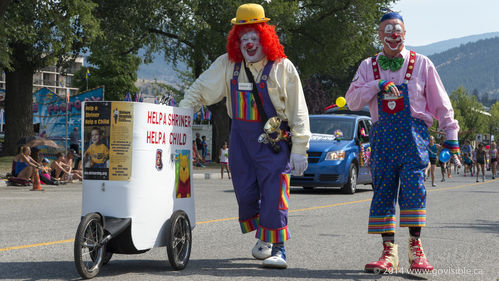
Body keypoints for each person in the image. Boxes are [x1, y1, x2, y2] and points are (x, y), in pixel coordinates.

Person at [180, 3, 310, 269]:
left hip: (273, 141)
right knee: (245, 190)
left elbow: (298, 109)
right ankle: (264, 234)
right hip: (239, 139)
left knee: (274, 190)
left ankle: (279, 247)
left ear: (265, 37)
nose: (249, 43)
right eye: (243, 37)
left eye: (254, 36)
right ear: (235, 40)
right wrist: (181, 115)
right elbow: (201, 89)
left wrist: (299, 146)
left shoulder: (282, 67)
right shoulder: (228, 64)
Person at [346, 12, 461, 273]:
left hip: (414, 140)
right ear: (379, 35)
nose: (393, 37)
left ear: (405, 34)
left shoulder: (422, 64)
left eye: (397, 32)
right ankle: (389, 253)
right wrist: (377, 84)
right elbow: (352, 101)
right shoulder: (368, 66)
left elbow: (442, 104)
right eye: (387, 32)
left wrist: (451, 138)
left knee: (414, 191)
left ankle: (415, 249)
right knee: (383, 193)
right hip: (382, 140)